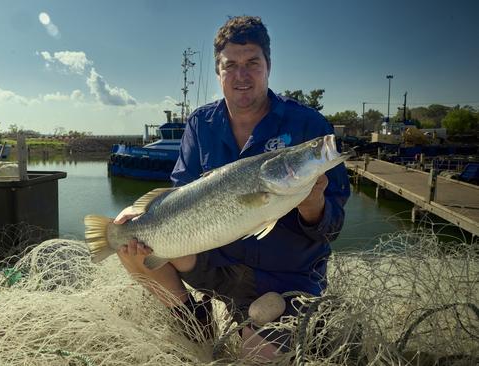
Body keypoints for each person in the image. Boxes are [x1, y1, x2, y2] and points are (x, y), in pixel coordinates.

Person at [114, 15, 350, 362]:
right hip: (217, 260)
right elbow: (182, 195)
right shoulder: (200, 123)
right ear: (219, 72)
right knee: (125, 236)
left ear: (268, 65)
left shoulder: (308, 125)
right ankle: (193, 318)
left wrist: (311, 204)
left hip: (282, 274)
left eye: (252, 63)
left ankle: (263, 324)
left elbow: (332, 227)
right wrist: (143, 215)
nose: (242, 76)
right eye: (231, 66)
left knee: (257, 357)